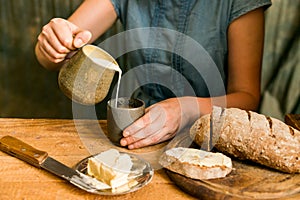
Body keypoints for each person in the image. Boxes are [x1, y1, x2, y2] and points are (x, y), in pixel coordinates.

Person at [35, 0, 272, 149]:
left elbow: (248, 97)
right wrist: (52, 45)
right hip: (137, 140)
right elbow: (57, 55)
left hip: (213, 145)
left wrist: (186, 110)